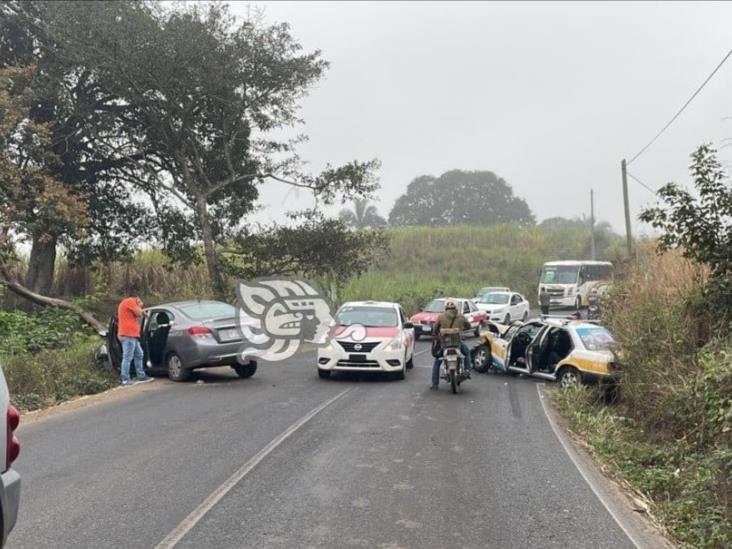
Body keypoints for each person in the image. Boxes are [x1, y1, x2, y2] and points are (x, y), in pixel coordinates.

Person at [430, 300, 472, 390]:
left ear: (445, 307)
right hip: (457, 344)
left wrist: (437, 333)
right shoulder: (461, 317)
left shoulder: (441, 317)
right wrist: (461, 328)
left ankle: (435, 384)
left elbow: (434, 329)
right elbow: (469, 326)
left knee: (437, 361)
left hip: (444, 345)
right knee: (467, 353)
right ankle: (467, 371)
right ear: (456, 307)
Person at [117, 287, 154, 386]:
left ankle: (141, 375)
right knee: (128, 357)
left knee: (139, 354)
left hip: (131, 335)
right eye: (140, 301)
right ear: (137, 298)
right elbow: (139, 313)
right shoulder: (130, 301)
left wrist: (142, 312)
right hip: (128, 334)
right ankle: (125, 379)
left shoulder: (126, 303)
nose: (141, 303)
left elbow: (138, 314)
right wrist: (141, 308)